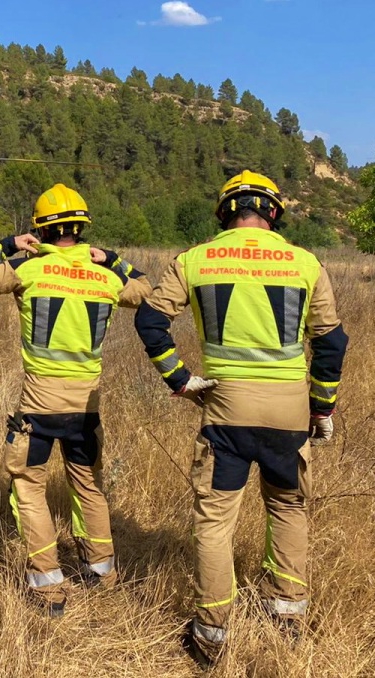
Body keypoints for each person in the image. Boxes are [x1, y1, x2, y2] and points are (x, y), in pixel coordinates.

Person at [134, 171, 349, 665]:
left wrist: (180, 380)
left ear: (225, 213)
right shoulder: (305, 262)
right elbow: (331, 343)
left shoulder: (194, 260)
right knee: (290, 510)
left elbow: (150, 320)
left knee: (214, 523)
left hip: (225, 414)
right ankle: (288, 617)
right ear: (273, 212)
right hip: (289, 415)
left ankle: (211, 632)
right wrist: (322, 407)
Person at [0, 184, 151, 617]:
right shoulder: (106, 278)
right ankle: (102, 572)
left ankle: (49, 588)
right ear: (82, 229)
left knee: (29, 488)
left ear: (40, 231)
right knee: (88, 486)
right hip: (87, 407)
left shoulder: (28, 271)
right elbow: (144, 288)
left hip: (39, 407)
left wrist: (8, 246)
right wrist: (111, 258)